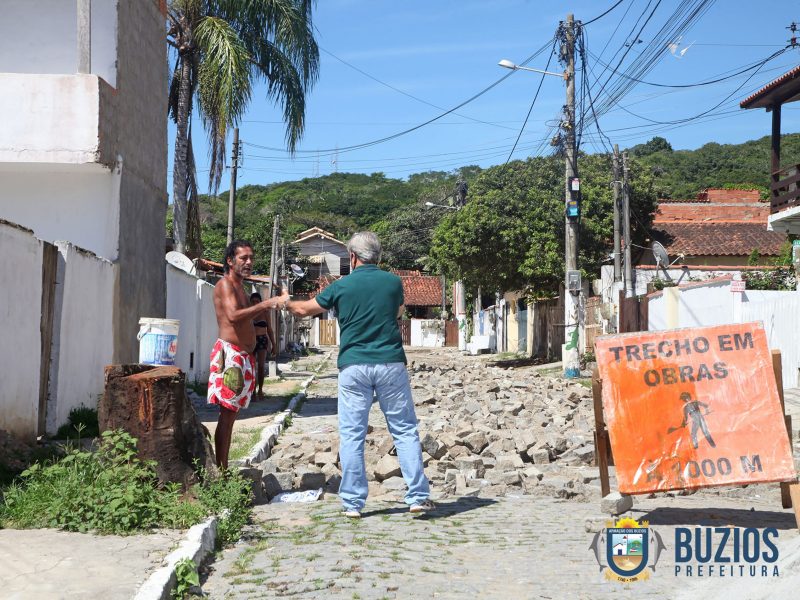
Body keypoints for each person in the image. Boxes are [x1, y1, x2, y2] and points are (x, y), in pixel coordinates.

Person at [281, 232, 433, 518]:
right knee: (404, 429)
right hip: (390, 363)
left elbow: (303, 310)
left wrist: (284, 301)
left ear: (352, 257)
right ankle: (417, 496)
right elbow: (398, 311)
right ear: (378, 256)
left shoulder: (342, 285)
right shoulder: (393, 282)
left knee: (352, 433)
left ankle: (352, 503)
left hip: (353, 365)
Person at [209, 240, 288, 470]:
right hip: (231, 356)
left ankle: (223, 469)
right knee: (226, 416)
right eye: (243, 258)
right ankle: (221, 471)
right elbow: (234, 317)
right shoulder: (225, 285)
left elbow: (246, 318)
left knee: (231, 416)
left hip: (242, 357)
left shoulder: (240, 287)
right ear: (230, 261)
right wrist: (269, 303)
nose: (249, 262)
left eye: (251, 257)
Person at [250, 292, 275, 399]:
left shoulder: (265, 312)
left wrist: (274, 344)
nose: (255, 303)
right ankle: (252, 392)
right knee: (250, 367)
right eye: (253, 301)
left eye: (257, 301)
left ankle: (260, 390)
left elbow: (269, 329)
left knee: (260, 366)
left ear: (260, 302)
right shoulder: (248, 312)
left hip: (262, 339)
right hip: (250, 340)